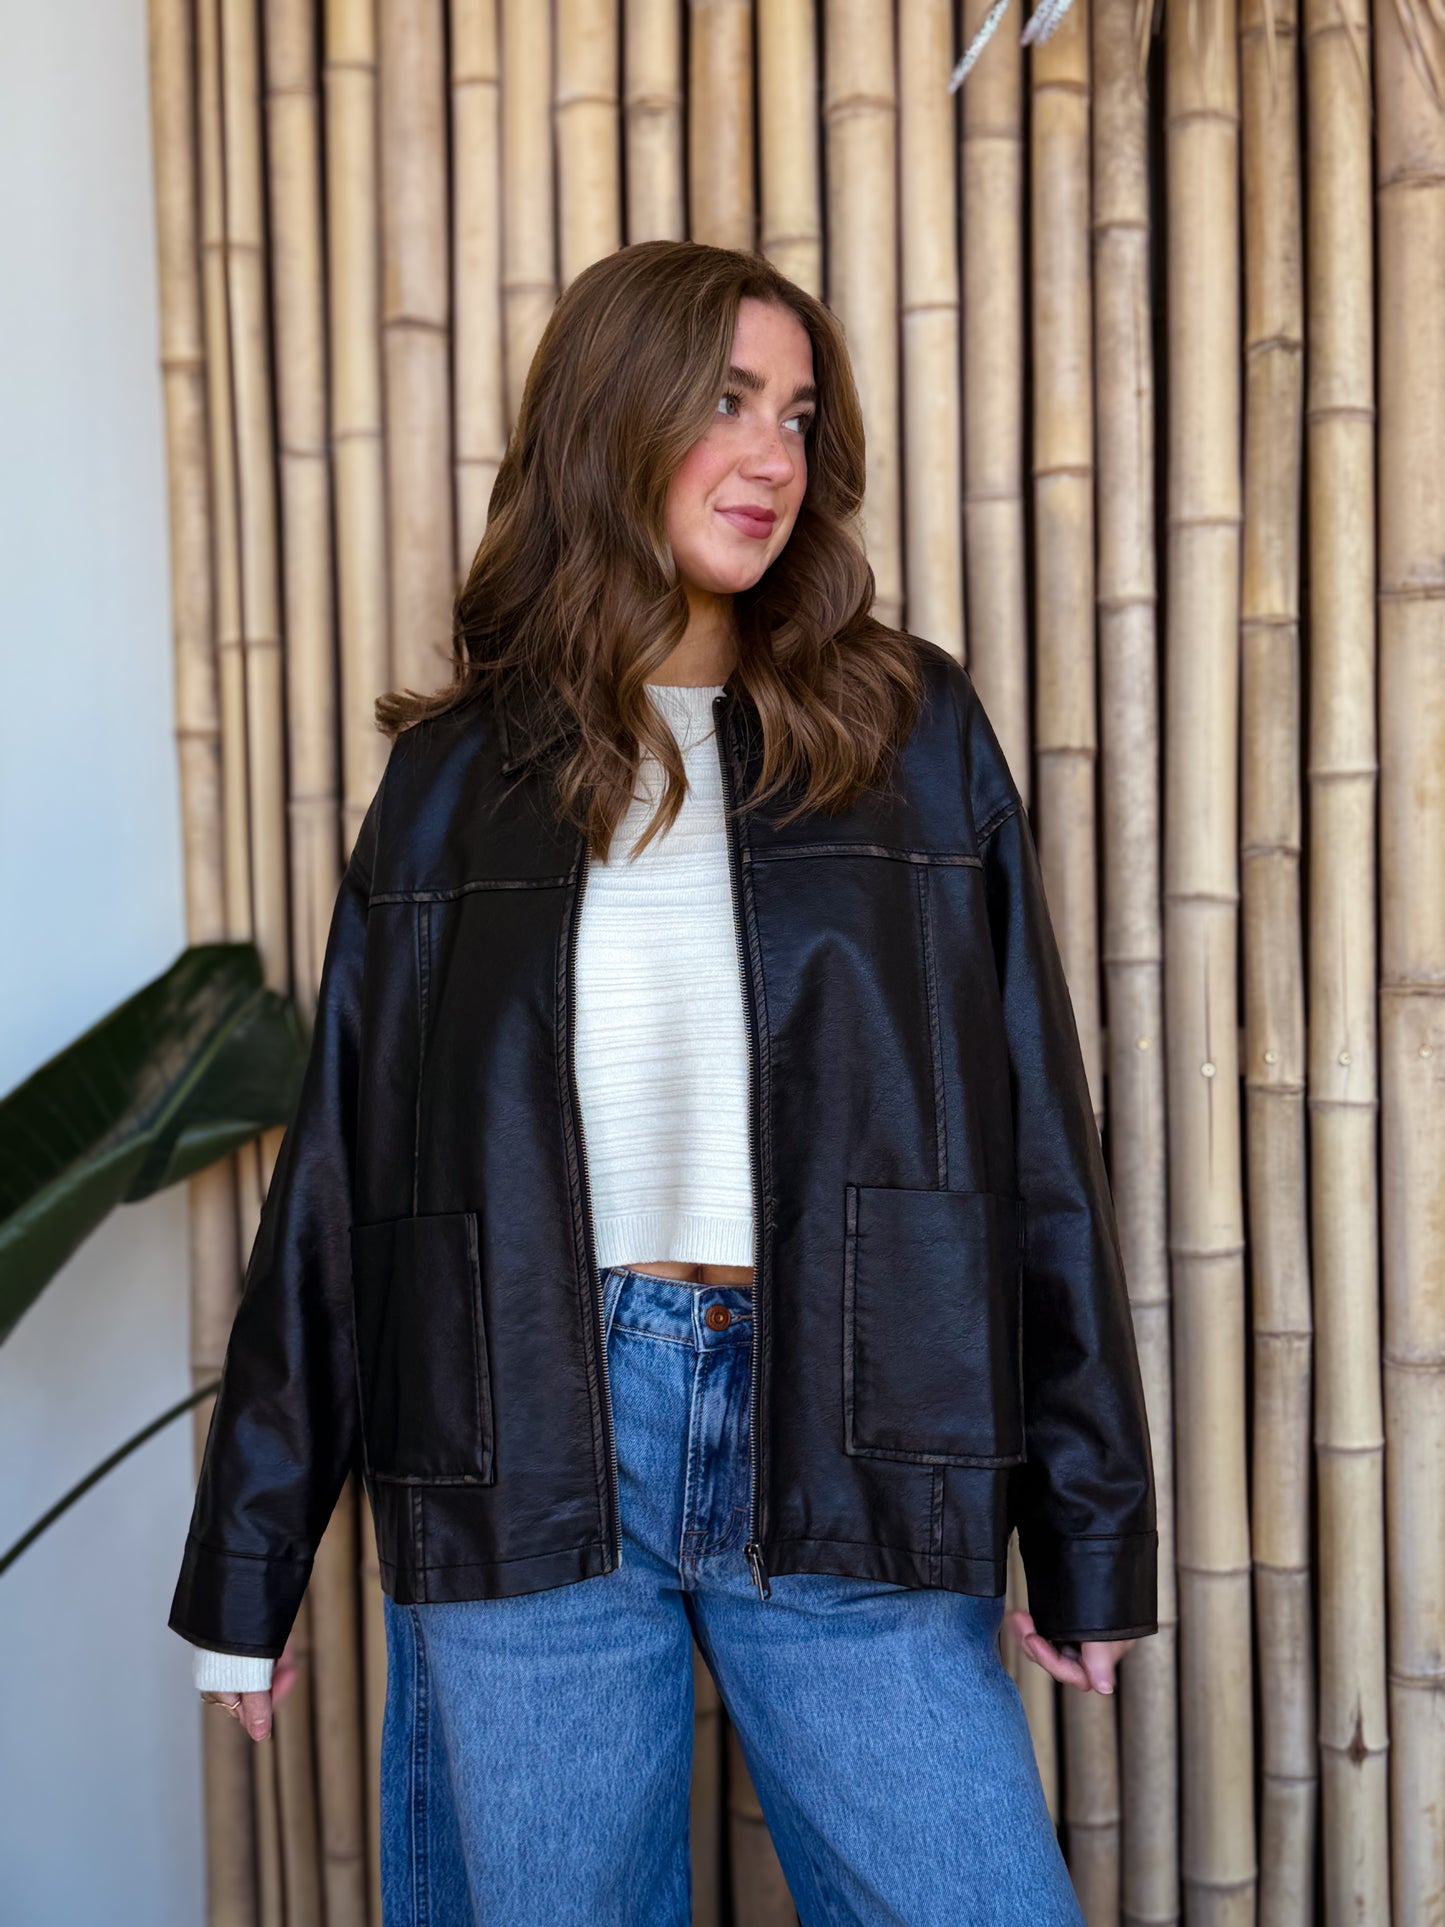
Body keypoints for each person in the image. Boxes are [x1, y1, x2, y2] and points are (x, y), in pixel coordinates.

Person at [171, 239, 1157, 1925]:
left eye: (795, 412)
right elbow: (346, 1177)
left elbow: (1029, 1149)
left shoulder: (910, 733)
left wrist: (1087, 1526)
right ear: (607, 418)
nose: (771, 453)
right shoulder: (451, 780)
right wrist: (247, 1569)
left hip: (856, 1420)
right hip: (523, 1433)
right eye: (722, 402)